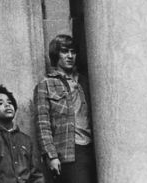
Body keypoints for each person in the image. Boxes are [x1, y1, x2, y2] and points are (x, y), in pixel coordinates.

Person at [34, 35, 95, 183]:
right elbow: (43, 124)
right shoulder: (46, 84)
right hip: (69, 150)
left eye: (73, 52)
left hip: (92, 147)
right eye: (64, 51)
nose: (70, 56)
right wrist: (51, 156)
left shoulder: (86, 81)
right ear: (56, 55)